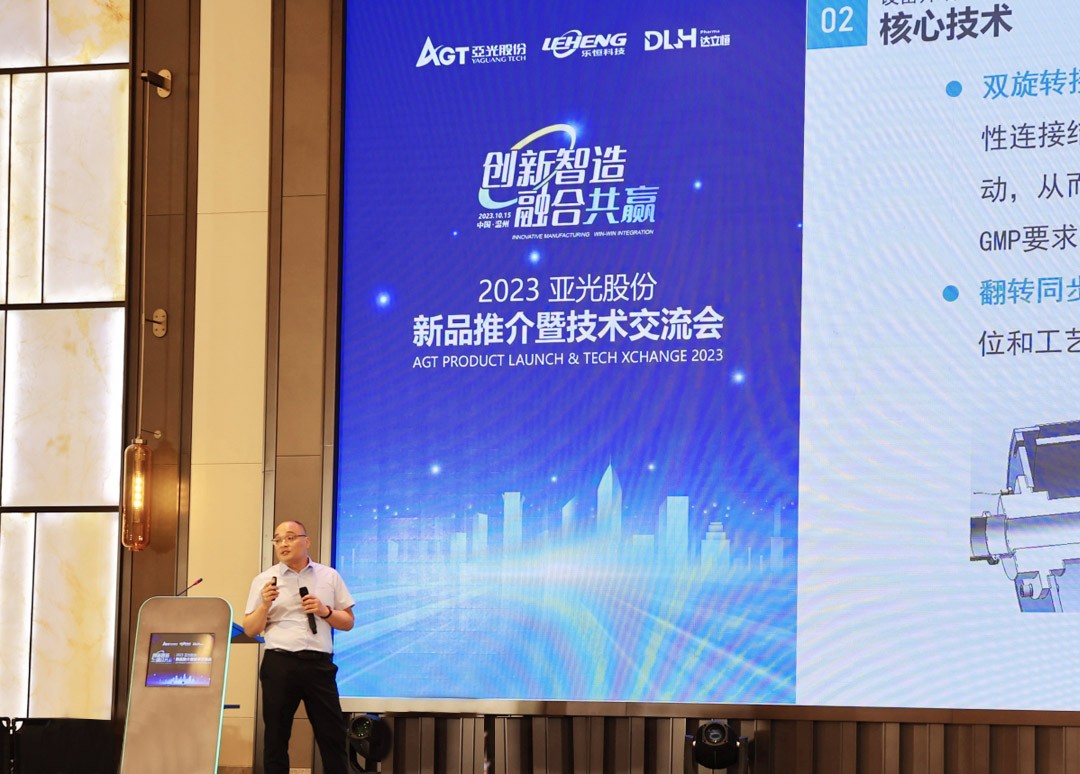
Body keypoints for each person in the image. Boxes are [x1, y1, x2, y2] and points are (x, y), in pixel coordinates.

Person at [243, 520, 356, 774]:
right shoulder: (264, 580)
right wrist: (265, 605)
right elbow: (250, 629)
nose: (283, 543)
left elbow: (348, 622)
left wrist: (325, 611)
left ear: (307, 541)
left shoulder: (329, 576)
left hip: (319, 665)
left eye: (290, 537)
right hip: (279, 664)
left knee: (332, 735)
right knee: (276, 735)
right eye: (278, 539)